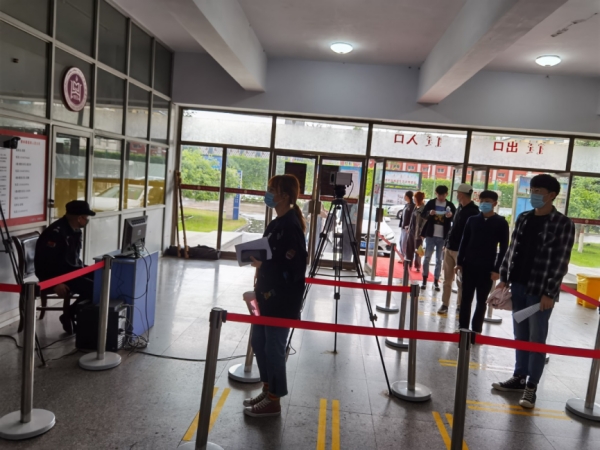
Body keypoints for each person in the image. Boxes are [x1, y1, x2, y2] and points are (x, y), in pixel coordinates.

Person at [492, 174, 575, 409]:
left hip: (540, 291)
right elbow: (512, 250)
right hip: (518, 285)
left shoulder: (563, 223)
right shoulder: (524, 218)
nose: (534, 195)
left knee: (537, 338)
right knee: (520, 334)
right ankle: (519, 376)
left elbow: (561, 261)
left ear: (552, 195)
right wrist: (504, 278)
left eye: (539, 191)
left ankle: (531, 386)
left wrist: (550, 292)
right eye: (533, 190)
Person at [244, 174, 307, 418]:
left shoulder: (291, 226)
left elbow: (293, 268)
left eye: (273, 189)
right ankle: (268, 387)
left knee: (273, 348)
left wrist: (264, 265)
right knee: (259, 342)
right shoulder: (275, 224)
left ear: (285, 196)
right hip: (265, 296)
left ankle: (274, 399)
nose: (268, 193)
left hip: (281, 300)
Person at [34, 200, 96, 334]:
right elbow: (43, 263)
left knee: (101, 279)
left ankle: (72, 313)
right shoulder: (55, 233)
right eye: (86, 217)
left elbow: (73, 258)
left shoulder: (74, 230)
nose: (87, 220)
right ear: (79, 218)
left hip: (72, 270)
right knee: (95, 289)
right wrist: (55, 283)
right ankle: (69, 315)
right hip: (59, 276)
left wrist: (85, 269)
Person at [455, 190, 508, 333]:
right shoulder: (472, 220)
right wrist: (459, 262)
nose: (484, 204)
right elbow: (464, 242)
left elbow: (504, 248)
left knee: (482, 300)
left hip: (487, 268)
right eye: (482, 201)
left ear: (495, 204)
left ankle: (476, 330)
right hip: (469, 265)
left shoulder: (501, 223)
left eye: (488, 202)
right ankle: (463, 328)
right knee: (465, 299)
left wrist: (497, 269)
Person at [439, 184, 480, 314]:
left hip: (461, 252)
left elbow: (472, 235)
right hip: (450, 248)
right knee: (447, 279)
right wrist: (446, 243)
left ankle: (460, 306)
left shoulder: (474, 212)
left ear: (461, 194)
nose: (457, 195)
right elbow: (454, 228)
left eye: (457, 193)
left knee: (461, 281)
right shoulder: (459, 208)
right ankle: (444, 304)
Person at [420, 185, 456, 291]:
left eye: (443, 195)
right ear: (436, 193)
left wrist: (451, 216)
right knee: (427, 258)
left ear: (446, 194)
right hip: (430, 235)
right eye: (439, 195)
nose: (441, 197)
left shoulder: (450, 205)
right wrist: (429, 213)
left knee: (439, 260)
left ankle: (436, 281)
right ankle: (424, 280)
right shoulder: (431, 203)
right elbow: (423, 214)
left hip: (443, 236)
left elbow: (456, 217)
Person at [408, 191, 426, 271]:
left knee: (419, 249)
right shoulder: (416, 207)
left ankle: (418, 266)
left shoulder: (423, 208)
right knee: (409, 248)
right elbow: (412, 220)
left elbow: (424, 221)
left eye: (415, 197)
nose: (414, 199)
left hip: (418, 232)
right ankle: (408, 264)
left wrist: (422, 232)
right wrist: (409, 228)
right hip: (412, 231)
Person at [398, 191, 415, 260]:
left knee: (404, 243)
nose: (404, 197)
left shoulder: (412, 206)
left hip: (407, 227)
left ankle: (405, 257)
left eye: (405, 195)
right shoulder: (406, 205)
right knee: (401, 241)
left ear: (407, 196)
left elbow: (411, 218)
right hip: (403, 226)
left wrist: (408, 227)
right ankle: (402, 256)